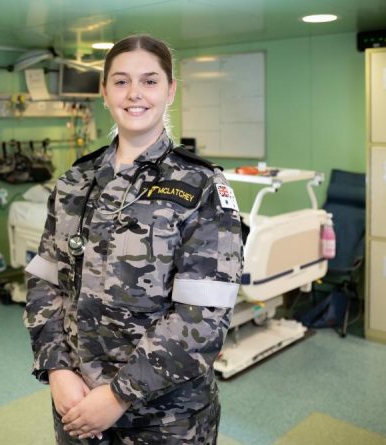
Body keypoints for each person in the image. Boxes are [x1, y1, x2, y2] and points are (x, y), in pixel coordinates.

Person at [23, 34, 243, 444]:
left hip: (168, 420)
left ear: (170, 90)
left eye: (150, 80)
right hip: (77, 407)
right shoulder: (75, 181)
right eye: (121, 81)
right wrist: (57, 369)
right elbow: (44, 282)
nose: (135, 93)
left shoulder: (201, 185)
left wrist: (120, 395)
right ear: (104, 92)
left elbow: (204, 317)